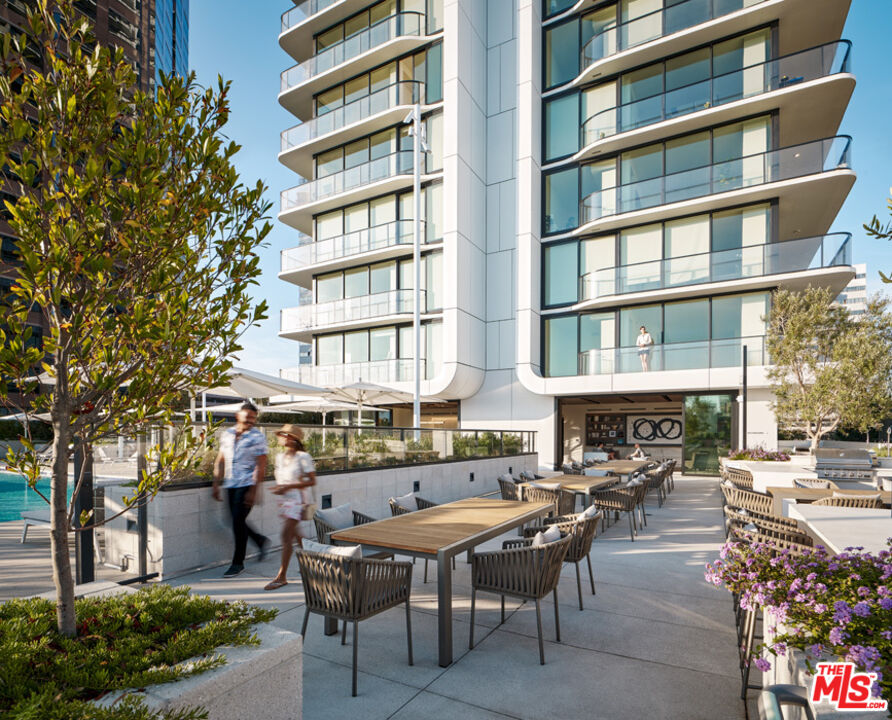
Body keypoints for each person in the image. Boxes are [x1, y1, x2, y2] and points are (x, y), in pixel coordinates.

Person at [212, 402, 269, 578]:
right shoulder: (227, 434)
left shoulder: (258, 437)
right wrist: (216, 483)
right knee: (234, 520)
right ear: (238, 416)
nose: (251, 420)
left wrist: (253, 490)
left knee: (237, 522)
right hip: (230, 483)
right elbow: (221, 459)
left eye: (253, 418)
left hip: (247, 484)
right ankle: (259, 540)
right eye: (248, 417)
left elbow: (261, 465)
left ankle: (238, 563)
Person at [264, 424, 317, 592]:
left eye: (284, 434)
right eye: (280, 434)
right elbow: (283, 480)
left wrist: (289, 486)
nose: (280, 437)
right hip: (285, 501)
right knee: (297, 536)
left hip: (299, 501)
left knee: (286, 535)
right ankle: (316, 563)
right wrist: (280, 488)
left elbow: (312, 481)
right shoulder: (279, 457)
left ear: (293, 438)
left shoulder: (303, 457)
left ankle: (281, 577)